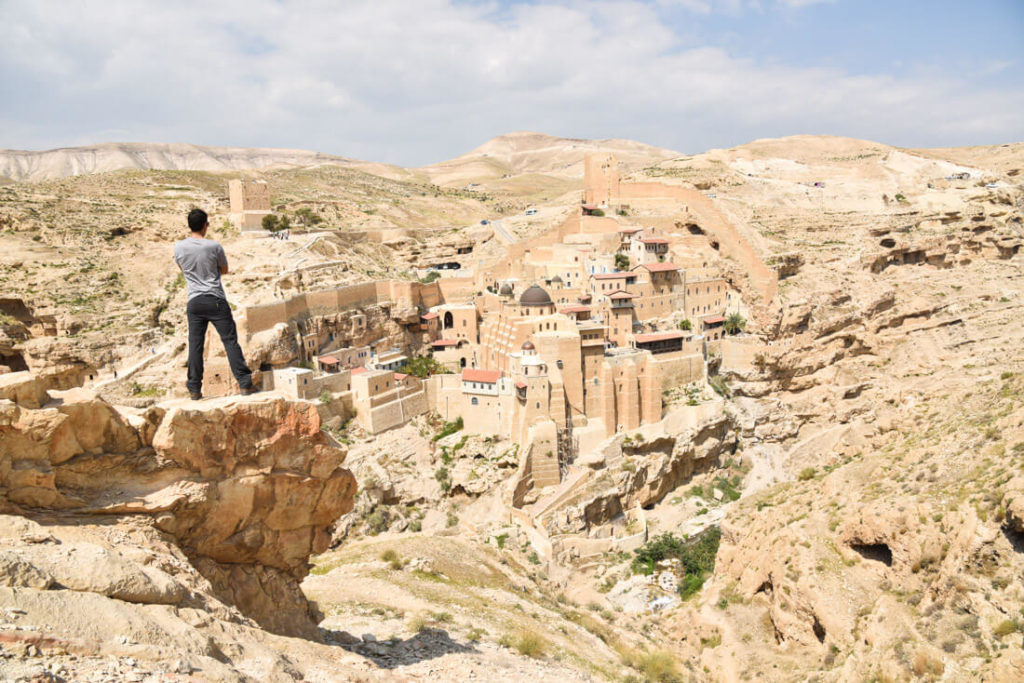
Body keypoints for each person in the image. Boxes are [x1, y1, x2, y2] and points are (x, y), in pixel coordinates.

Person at [174, 208, 257, 400]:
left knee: (195, 345)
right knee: (229, 341)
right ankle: (245, 384)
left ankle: (194, 389)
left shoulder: (179, 247)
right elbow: (224, 270)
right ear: (205, 225)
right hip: (216, 299)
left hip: (194, 301)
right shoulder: (214, 246)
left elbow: (182, 269)